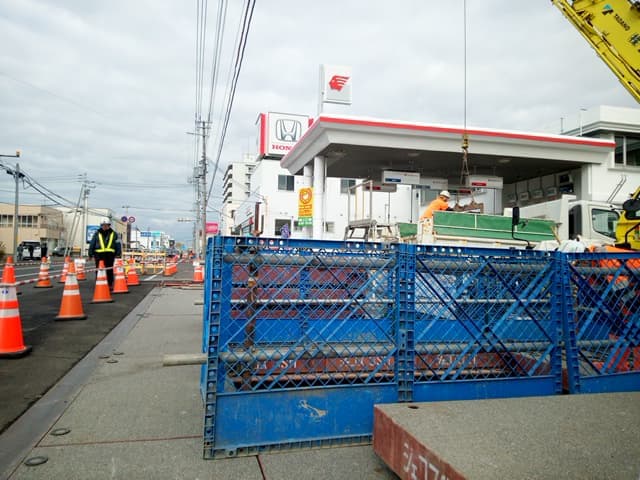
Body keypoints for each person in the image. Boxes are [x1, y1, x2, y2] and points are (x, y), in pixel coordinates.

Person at [88, 218, 121, 289]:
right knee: (99, 269)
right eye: (103, 225)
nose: (104, 226)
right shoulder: (97, 233)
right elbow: (92, 243)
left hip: (110, 254)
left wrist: (118, 253)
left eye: (106, 225)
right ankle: (99, 284)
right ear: (101, 225)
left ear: (109, 225)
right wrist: (90, 254)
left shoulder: (114, 234)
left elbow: (118, 244)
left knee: (109, 269)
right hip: (99, 254)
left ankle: (110, 284)